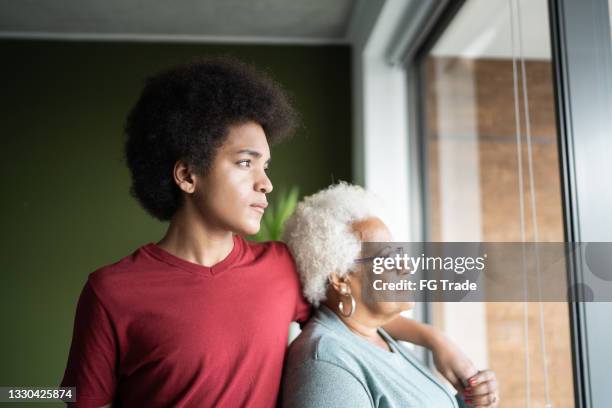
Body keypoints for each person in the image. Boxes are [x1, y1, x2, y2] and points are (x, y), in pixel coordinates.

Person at [61, 58, 488, 407]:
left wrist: (436, 340)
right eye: (246, 163)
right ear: (188, 175)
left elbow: (355, 310)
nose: (265, 183)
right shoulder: (112, 292)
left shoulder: (280, 269)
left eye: (266, 166)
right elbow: (75, 397)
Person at [281, 183, 500, 408]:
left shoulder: (376, 336)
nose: (405, 266)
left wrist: (470, 402)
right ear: (341, 278)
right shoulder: (327, 366)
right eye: (388, 257)